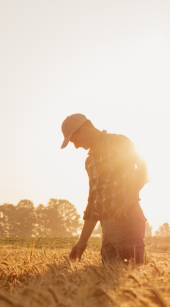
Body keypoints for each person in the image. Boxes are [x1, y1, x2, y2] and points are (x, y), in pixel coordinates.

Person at [60, 113, 148, 265]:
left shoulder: (117, 142)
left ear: (85, 130)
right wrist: (82, 242)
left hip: (126, 219)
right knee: (109, 278)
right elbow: (93, 203)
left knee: (130, 274)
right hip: (107, 227)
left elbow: (144, 168)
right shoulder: (90, 161)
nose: (76, 146)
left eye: (74, 140)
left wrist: (128, 201)